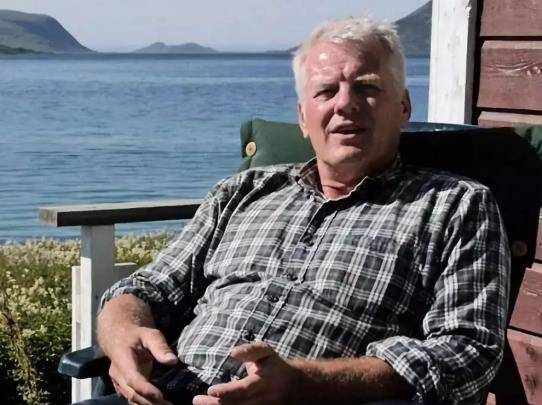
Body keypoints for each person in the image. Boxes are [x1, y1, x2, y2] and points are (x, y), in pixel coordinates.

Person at [97, 16, 510, 405]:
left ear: (403, 106)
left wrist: (305, 383)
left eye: (367, 87)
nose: (345, 104)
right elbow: (147, 288)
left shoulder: (454, 205)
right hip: (167, 392)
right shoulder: (243, 191)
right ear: (302, 117)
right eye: (326, 91)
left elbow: (468, 352)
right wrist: (123, 333)